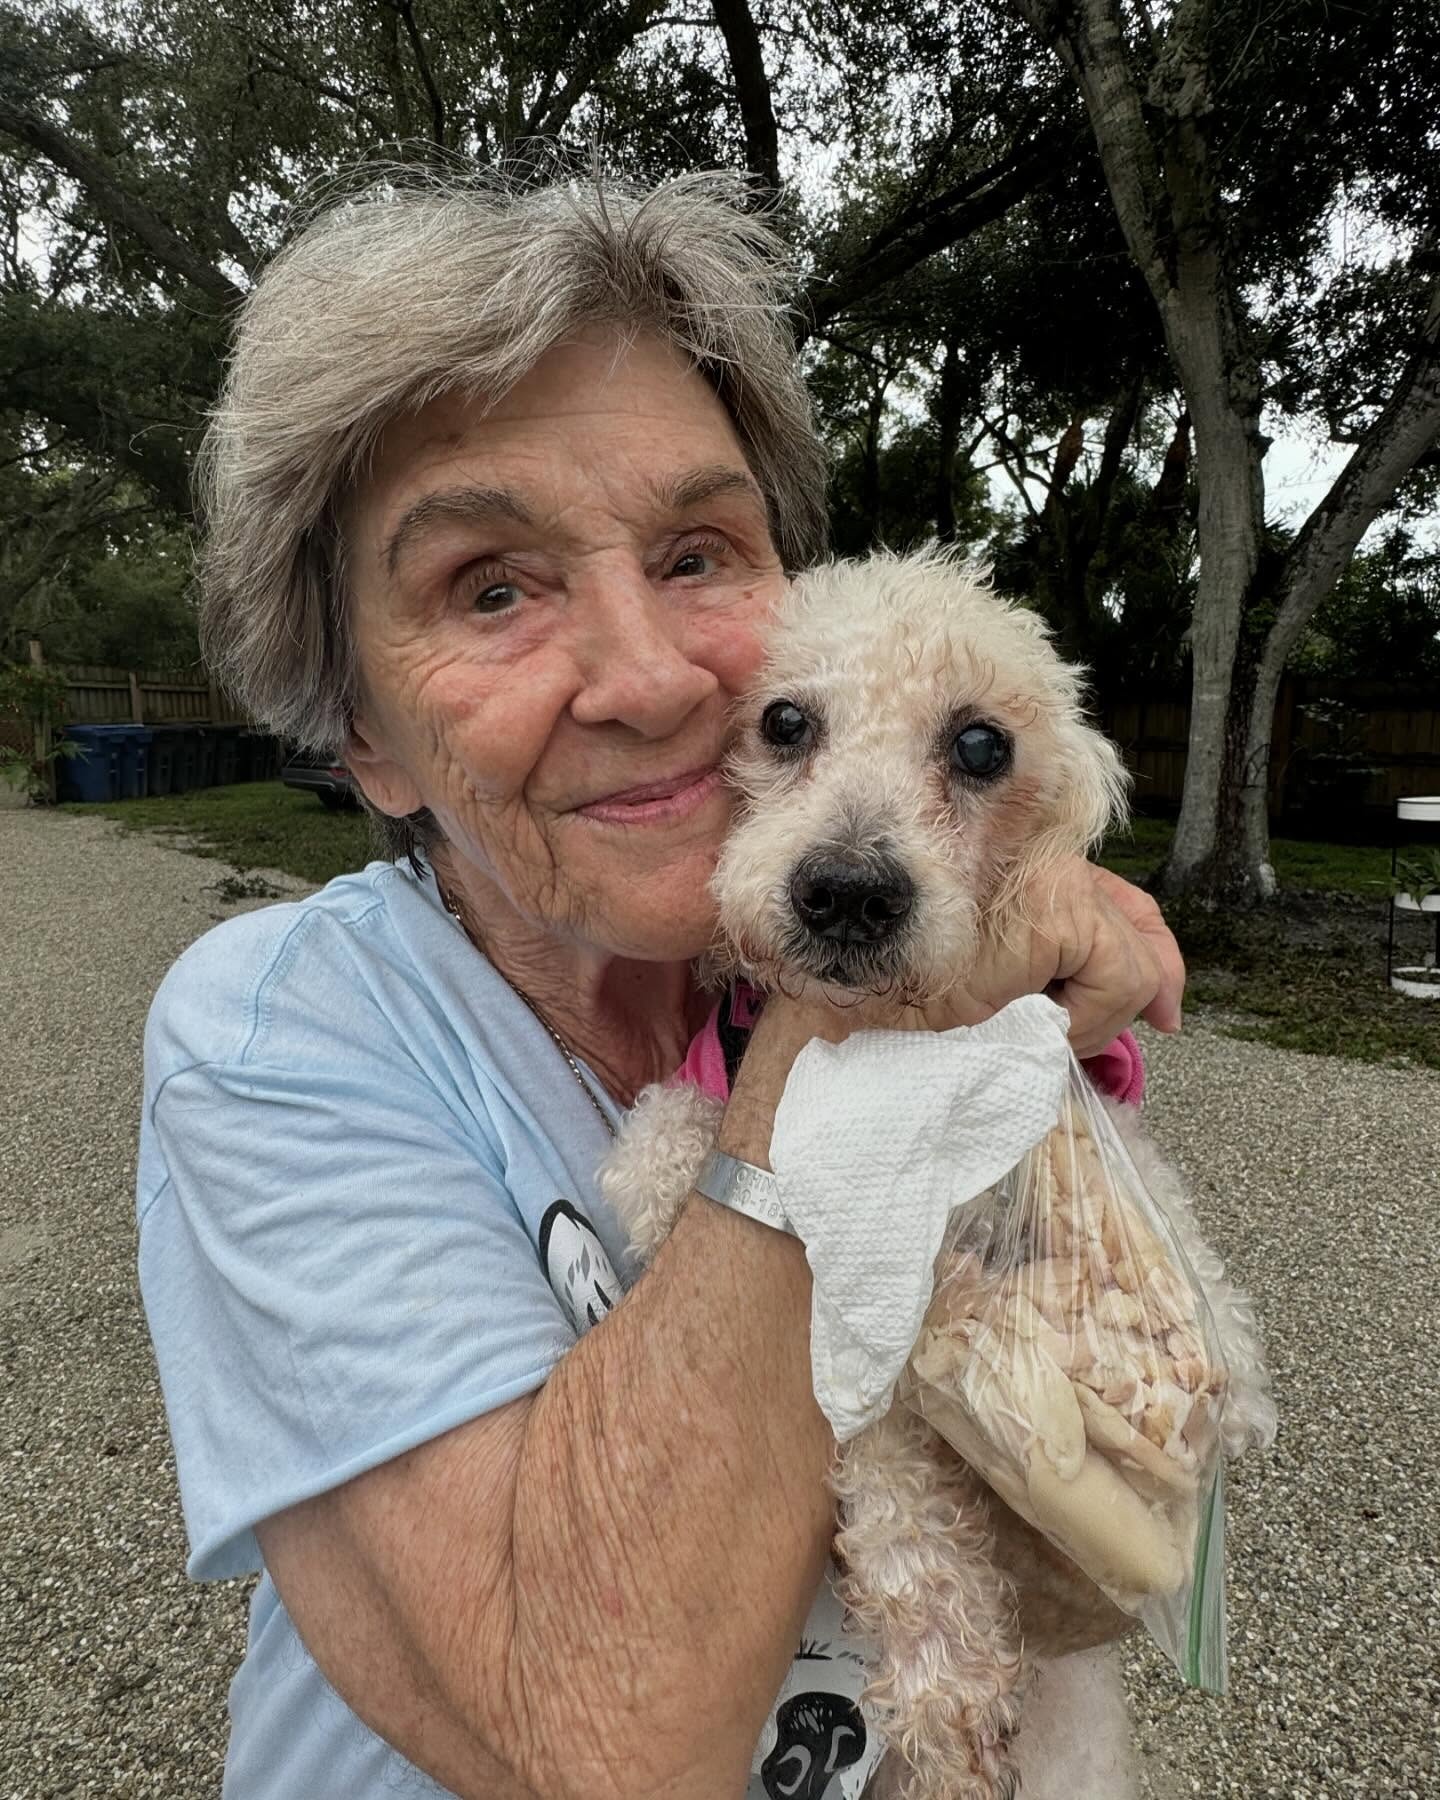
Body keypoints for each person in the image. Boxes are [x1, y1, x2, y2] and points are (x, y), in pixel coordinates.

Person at [138, 167, 1184, 1800]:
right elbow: (604, 1744)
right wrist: (866, 1002)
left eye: (701, 551)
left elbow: (1116, 1480)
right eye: (490, 586)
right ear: (364, 740)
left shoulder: (896, 924)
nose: (642, 678)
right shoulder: (282, 1041)